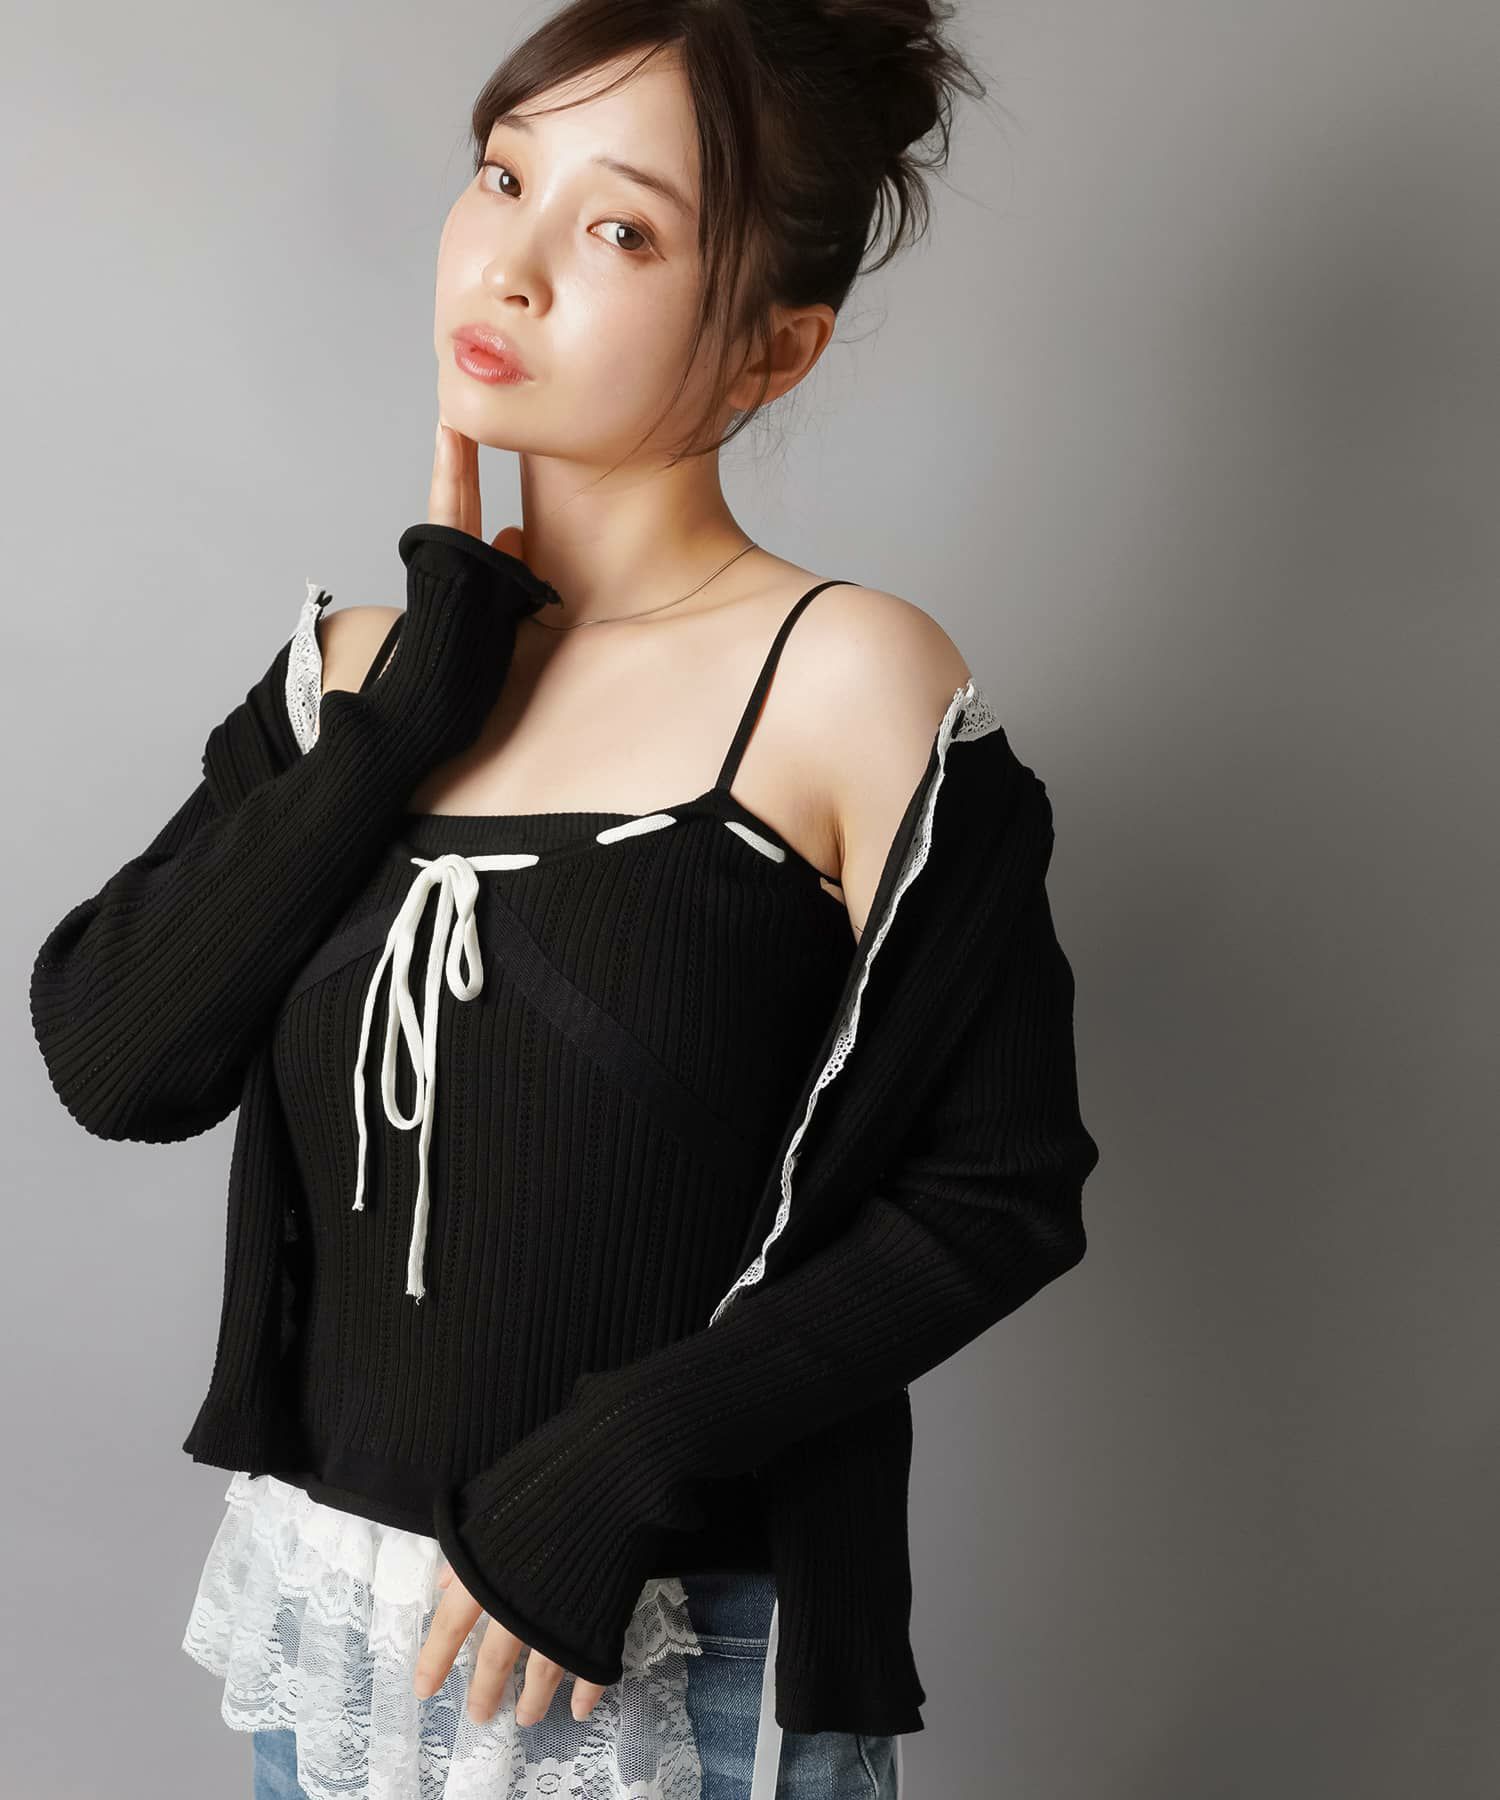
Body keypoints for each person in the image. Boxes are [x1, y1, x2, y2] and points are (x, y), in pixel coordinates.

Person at [31, 4, 1100, 1798]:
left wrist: (621, 1460)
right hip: (340, 1633)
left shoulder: (846, 679)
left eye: (621, 228)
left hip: (671, 1650)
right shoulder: (359, 673)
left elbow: (1000, 1191)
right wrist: (414, 705)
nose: (510, 263)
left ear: (774, 345)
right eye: (503, 176)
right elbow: (117, 1061)